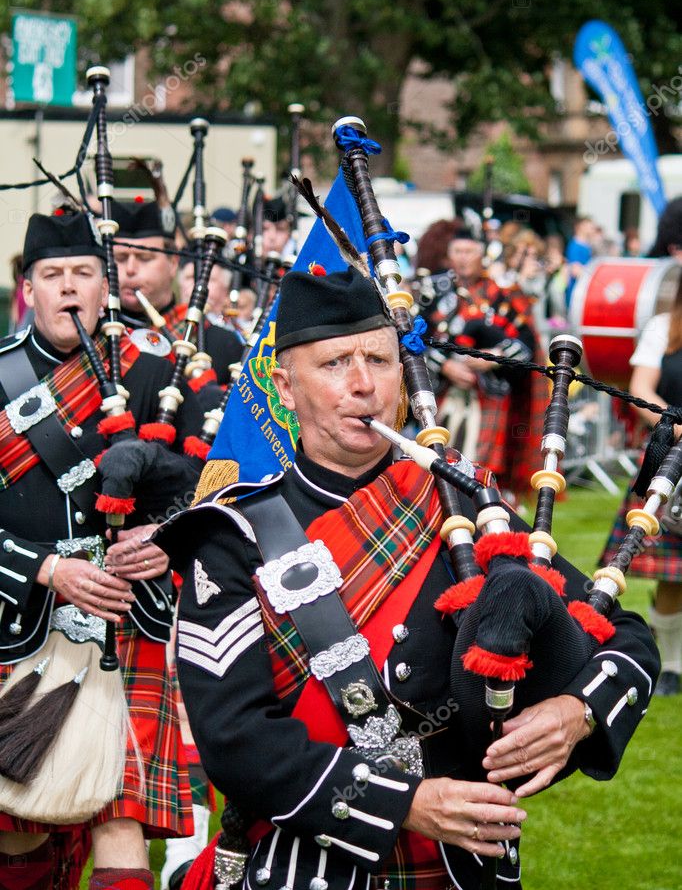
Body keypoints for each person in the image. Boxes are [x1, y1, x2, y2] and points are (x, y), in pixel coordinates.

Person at [157, 265, 658, 890]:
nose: (364, 385)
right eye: (336, 363)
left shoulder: (464, 507)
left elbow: (624, 633)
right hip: (307, 868)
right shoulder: (234, 538)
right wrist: (406, 804)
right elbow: (235, 739)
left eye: (380, 359)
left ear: (404, 373)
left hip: (462, 868)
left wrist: (577, 710)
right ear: (285, 386)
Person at [0, 210, 203, 890]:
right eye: (51, 275)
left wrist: (167, 537)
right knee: (18, 821)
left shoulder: (159, 371)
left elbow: (221, 485)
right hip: (21, 632)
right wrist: (48, 569)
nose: (67, 288)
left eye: (82, 274)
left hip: (129, 625)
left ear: (104, 285)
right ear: (28, 289)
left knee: (122, 820)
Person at [600, 266, 682, 696]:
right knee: (675, 576)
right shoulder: (662, 328)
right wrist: (677, 423)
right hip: (675, 458)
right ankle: (671, 664)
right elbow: (642, 386)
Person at [424, 227, 545, 500]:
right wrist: (446, 367)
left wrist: (489, 359)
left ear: (482, 256)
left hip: (490, 397)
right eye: (458, 252)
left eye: (469, 252)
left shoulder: (504, 294)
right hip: (444, 394)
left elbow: (526, 346)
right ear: (449, 255)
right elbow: (417, 340)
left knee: (484, 472)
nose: (463, 258)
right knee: (438, 464)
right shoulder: (435, 292)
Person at [111, 198, 243, 385]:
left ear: (173, 263)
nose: (130, 269)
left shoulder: (220, 343)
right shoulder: (92, 340)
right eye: (121, 258)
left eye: (144, 257)